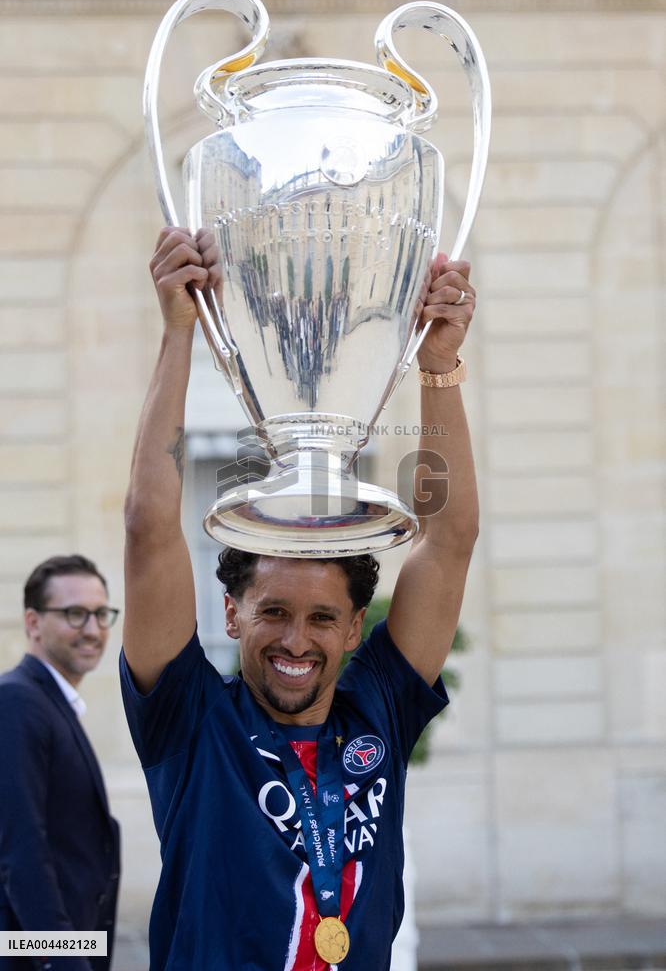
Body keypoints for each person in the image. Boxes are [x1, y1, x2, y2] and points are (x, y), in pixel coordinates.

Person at [121, 227, 478, 970]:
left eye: (322, 618)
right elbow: (149, 529)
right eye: (273, 611)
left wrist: (439, 368)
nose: (295, 640)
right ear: (232, 615)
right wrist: (179, 333)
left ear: (355, 629)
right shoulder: (192, 723)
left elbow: (446, 543)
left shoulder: (377, 705)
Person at [0, 555, 121, 970]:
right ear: (33, 623)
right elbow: (21, 852)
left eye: (101, 614)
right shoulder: (17, 701)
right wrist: (64, 961)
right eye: (74, 614)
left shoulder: (52, 703)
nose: (92, 629)